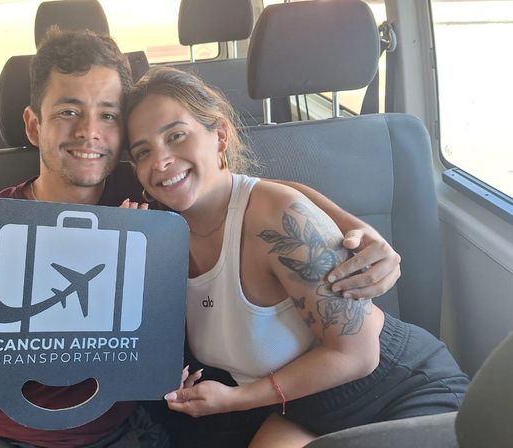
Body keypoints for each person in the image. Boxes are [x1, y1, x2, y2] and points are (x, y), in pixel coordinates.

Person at [0, 29, 404, 448]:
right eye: (68, 111)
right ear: (33, 124)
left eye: (109, 115)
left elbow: (246, 193)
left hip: (117, 434)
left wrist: (351, 227)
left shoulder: (152, 190)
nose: (90, 132)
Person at [122, 66, 470, 447]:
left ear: (219, 136)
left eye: (176, 136)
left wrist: (236, 399)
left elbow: (357, 355)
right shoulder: (161, 238)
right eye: (143, 152)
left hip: (397, 388)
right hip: (304, 405)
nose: (161, 161)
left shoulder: (277, 216)